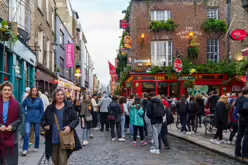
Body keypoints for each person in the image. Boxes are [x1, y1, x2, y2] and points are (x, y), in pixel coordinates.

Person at [41, 88, 81, 165]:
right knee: (55, 160)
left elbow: (76, 119)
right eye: (58, 95)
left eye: (62, 94)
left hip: (65, 138)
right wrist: (45, 125)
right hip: (53, 139)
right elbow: (43, 119)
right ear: (55, 96)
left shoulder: (69, 107)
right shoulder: (50, 108)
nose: (60, 96)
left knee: (63, 161)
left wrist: (69, 127)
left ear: (64, 96)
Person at [0, 81, 22, 165]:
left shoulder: (16, 104)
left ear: (11, 91)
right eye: (4, 89)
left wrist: (12, 126)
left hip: (11, 135)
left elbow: (20, 118)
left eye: (9, 90)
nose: (7, 92)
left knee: (11, 160)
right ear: (1, 91)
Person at [22, 87, 44, 156]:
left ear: (37, 92)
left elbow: (42, 110)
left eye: (35, 91)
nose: (34, 92)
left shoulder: (39, 99)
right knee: (27, 133)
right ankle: (25, 149)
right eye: (33, 90)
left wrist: (41, 117)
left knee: (37, 134)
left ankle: (36, 146)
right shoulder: (27, 99)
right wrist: (25, 112)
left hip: (37, 119)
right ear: (31, 91)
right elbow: (22, 106)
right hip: (28, 118)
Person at [235, 88, 248, 159]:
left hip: (241, 118)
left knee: (239, 135)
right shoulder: (246, 99)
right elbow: (245, 108)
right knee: (246, 135)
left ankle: (237, 152)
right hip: (246, 118)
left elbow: (237, 107)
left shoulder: (240, 98)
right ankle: (245, 154)